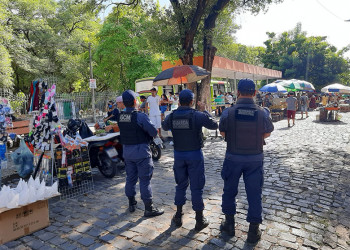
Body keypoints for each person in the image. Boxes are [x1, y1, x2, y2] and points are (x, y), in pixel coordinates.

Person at [218, 79, 274, 243]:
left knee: (229, 190)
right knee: (254, 194)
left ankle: (229, 225)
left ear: (238, 93)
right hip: (255, 159)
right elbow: (268, 132)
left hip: (233, 157)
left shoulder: (228, 112)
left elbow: (222, 133)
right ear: (255, 93)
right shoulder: (262, 112)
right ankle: (253, 231)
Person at [162, 89, 218, 231]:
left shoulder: (172, 116)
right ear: (192, 102)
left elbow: (164, 126)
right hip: (194, 154)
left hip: (179, 155)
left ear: (179, 101)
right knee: (196, 187)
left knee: (180, 185)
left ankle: (178, 216)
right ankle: (199, 220)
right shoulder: (197, 115)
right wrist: (204, 110)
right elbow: (214, 125)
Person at [117, 90, 164, 217]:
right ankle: (149, 208)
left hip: (127, 152)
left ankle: (131, 203)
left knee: (130, 178)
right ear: (134, 101)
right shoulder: (140, 116)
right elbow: (153, 132)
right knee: (145, 180)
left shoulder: (120, 116)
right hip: (141, 152)